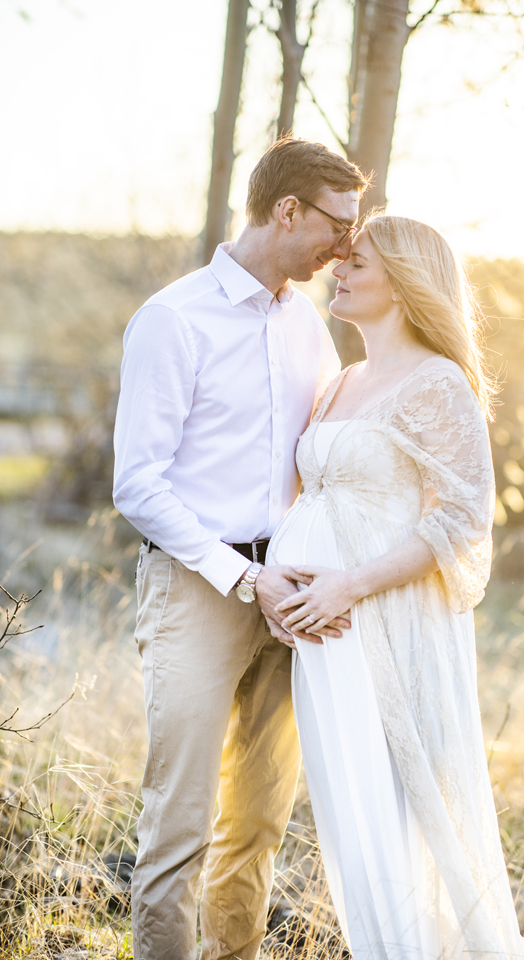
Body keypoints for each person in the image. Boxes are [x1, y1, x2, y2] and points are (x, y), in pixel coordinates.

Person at [112, 137, 369, 960]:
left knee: (258, 820)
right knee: (180, 819)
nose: (346, 246)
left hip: (291, 593)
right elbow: (138, 485)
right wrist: (242, 576)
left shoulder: (308, 325)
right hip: (199, 584)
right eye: (337, 224)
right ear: (286, 210)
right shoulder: (172, 319)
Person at [268, 215, 524, 960]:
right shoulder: (344, 380)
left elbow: (462, 516)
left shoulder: (437, 381)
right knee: (352, 812)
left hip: (386, 622)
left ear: (404, 281)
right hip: (321, 632)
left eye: (356, 263)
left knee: (404, 809)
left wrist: (347, 586)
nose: (338, 271)